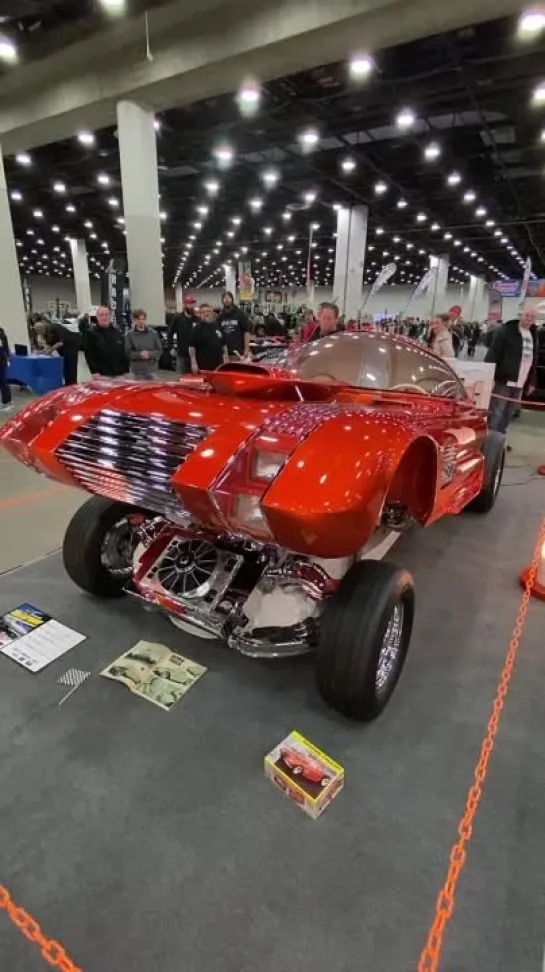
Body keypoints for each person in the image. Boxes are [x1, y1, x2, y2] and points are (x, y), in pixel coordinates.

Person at [485, 306, 538, 434]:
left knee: (509, 414)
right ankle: (491, 442)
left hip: (520, 382)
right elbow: (494, 352)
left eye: (532, 317)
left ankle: (500, 440)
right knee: (496, 412)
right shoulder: (507, 331)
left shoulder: (533, 335)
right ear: (521, 315)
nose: (529, 319)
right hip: (504, 380)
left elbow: (533, 359)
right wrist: (488, 376)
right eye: (527, 315)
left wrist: (532, 381)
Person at [84, 305, 127, 378]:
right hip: (102, 375)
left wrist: (126, 370)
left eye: (106, 315)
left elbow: (123, 353)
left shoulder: (117, 332)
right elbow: (89, 355)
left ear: (110, 316)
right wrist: (94, 372)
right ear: (97, 317)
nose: (104, 317)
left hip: (119, 374)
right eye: (101, 315)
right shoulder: (91, 333)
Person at [36, 317, 80, 385]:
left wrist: (51, 350)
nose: (40, 334)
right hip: (63, 348)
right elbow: (50, 345)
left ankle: (73, 385)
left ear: (41, 328)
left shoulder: (54, 327)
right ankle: (67, 384)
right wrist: (41, 352)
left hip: (71, 346)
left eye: (39, 331)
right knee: (65, 367)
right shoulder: (46, 331)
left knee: (71, 367)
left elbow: (60, 342)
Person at [189, 304, 228, 373]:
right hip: (203, 366)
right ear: (200, 314)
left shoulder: (218, 327)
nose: (206, 313)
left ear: (211, 313)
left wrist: (226, 360)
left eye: (208, 311)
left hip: (218, 366)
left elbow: (224, 345)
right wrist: (193, 363)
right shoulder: (196, 329)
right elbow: (192, 348)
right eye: (203, 312)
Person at [124, 309, 163, 380]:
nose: (141, 321)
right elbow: (128, 353)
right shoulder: (130, 335)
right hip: (136, 371)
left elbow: (159, 350)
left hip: (151, 370)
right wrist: (140, 355)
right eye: (139, 319)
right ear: (135, 320)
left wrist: (149, 354)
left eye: (143, 319)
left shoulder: (153, 334)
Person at [167, 295, 198, 374]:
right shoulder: (178, 318)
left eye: (192, 304)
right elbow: (170, 333)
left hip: (195, 355)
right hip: (182, 354)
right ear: (185, 305)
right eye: (189, 304)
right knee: (180, 376)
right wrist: (171, 347)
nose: (191, 306)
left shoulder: (197, 319)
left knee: (195, 377)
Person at [217, 291, 251, 360]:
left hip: (238, 352)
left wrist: (246, 349)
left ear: (232, 299)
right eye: (225, 298)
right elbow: (218, 334)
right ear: (222, 301)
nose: (227, 300)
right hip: (225, 353)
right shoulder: (220, 316)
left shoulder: (240, 313)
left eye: (228, 298)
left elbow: (246, 332)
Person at [0, 325, 12, 412]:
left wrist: (7, 358)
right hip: (2, 360)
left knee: (3, 382)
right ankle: (5, 401)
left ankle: (7, 402)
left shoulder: (0, 334)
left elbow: (3, 349)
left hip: (1, 361)